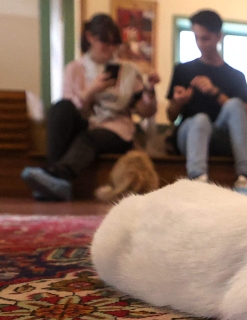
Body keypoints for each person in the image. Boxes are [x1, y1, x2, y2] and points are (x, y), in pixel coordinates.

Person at [22, 14, 158, 201]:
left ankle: (57, 178)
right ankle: (53, 177)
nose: (110, 49)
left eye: (114, 44)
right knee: (59, 108)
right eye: (104, 42)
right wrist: (92, 90)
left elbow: (145, 111)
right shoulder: (74, 69)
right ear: (90, 38)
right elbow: (69, 108)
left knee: (90, 138)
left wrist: (149, 91)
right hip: (84, 123)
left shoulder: (128, 71)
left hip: (116, 130)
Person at [167, 9, 247, 195]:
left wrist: (214, 91)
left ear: (218, 37)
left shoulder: (236, 76)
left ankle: (244, 178)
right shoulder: (183, 70)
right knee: (200, 120)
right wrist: (179, 102)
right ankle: (198, 180)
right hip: (189, 136)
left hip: (222, 137)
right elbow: (171, 116)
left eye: (205, 38)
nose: (200, 44)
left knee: (235, 104)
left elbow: (245, 116)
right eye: (196, 38)